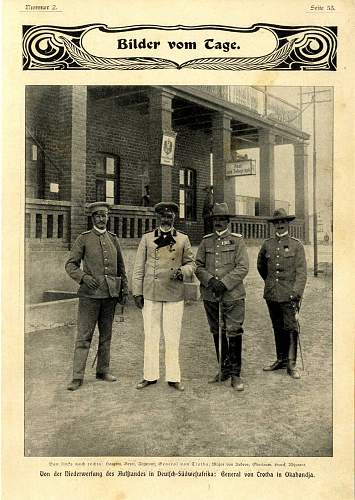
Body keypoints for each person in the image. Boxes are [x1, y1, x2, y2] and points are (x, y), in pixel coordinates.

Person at [132, 201, 195, 392]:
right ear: (158, 218)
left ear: (175, 218)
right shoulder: (147, 239)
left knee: (172, 336)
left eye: (170, 216)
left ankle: (174, 377)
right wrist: (137, 291)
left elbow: (192, 264)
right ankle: (149, 375)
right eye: (163, 216)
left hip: (174, 294)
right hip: (151, 293)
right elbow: (138, 267)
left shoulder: (183, 239)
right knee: (151, 335)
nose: (167, 219)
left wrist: (182, 271)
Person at [65, 202, 128, 391]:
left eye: (105, 215)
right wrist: (84, 277)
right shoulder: (83, 239)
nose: (102, 219)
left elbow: (121, 268)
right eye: (98, 216)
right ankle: (77, 376)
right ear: (92, 218)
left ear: (108, 217)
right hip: (90, 296)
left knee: (106, 335)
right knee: (84, 336)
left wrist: (123, 291)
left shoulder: (113, 239)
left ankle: (103, 370)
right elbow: (70, 265)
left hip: (110, 295)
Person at [195, 202, 249, 391]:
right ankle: (223, 369)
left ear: (228, 221)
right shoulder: (206, 241)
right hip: (211, 295)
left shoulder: (237, 241)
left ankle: (235, 374)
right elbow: (198, 265)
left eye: (222, 219)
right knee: (217, 331)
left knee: (233, 331)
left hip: (233, 295)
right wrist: (210, 281)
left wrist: (224, 283)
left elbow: (243, 267)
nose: (218, 222)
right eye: (215, 219)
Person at [257, 208, 307, 379]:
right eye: (276, 223)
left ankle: (292, 364)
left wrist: (296, 293)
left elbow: (301, 273)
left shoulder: (296, 245)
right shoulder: (267, 244)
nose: (279, 225)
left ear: (287, 224)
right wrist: (270, 283)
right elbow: (261, 267)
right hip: (272, 294)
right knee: (277, 327)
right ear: (273, 225)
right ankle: (281, 359)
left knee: (291, 327)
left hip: (289, 295)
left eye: (282, 222)